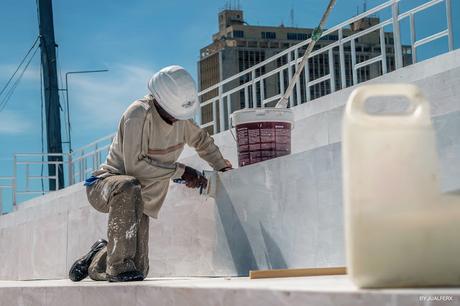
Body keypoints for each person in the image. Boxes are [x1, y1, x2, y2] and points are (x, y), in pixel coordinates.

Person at [69, 65, 232, 282]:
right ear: (159, 101)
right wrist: (182, 172)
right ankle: (116, 266)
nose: (177, 120)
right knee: (128, 187)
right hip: (106, 185)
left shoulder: (181, 120)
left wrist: (222, 167)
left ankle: (99, 255)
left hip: (140, 198)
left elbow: (202, 140)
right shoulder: (138, 114)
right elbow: (135, 167)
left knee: (138, 270)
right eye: (173, 114)